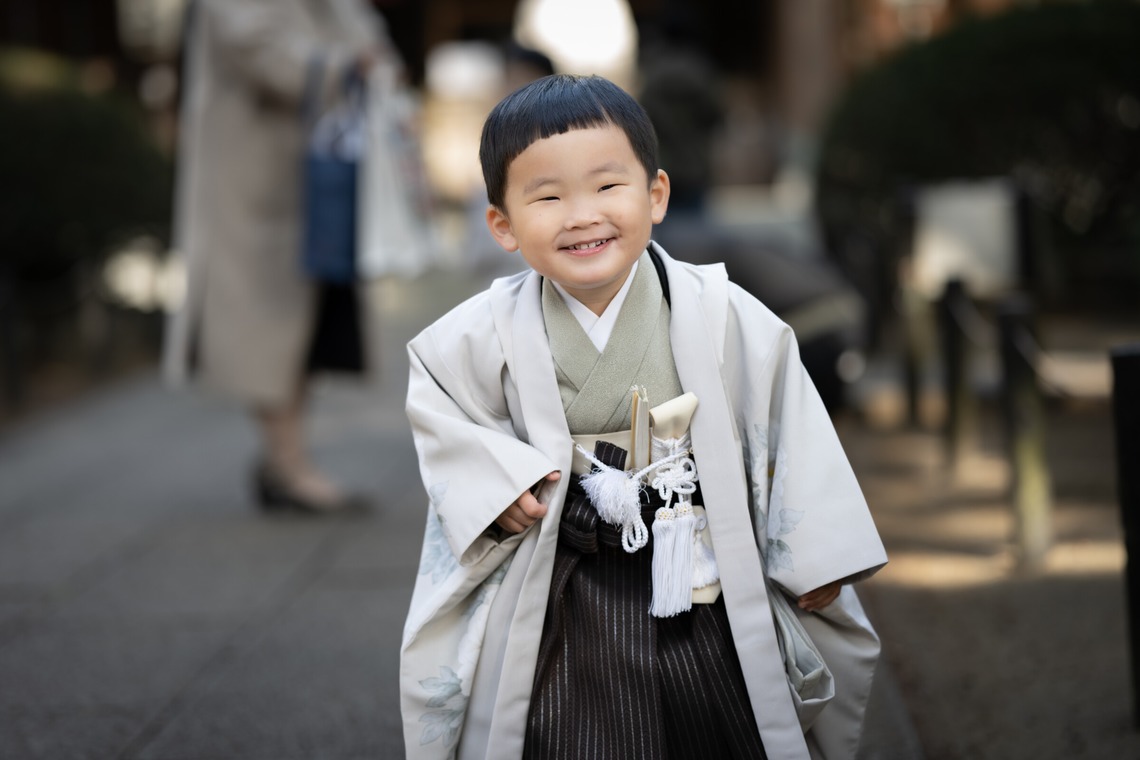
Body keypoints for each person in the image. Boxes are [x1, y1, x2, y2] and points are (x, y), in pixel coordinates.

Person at [400, 75, 887, 759]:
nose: (582, 215)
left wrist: (814, 556)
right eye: (547, 197)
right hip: (563, 577)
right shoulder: (478, 334)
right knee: (567, 728)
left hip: (697, 559)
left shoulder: (723, 312)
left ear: (655, 195)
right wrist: (498, 483)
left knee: (713, 720)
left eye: (607, 187)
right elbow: (443, 406)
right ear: (502, 225)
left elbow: (789, 424)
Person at [163, 0, 399, 513]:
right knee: (267, 320)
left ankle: (283, 461)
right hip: (253, 178)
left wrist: (363, 59)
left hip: (315, 170)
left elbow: (365, 34)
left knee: (302, 320)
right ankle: (289, 465)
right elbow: (266, 56)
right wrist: (349, 64)